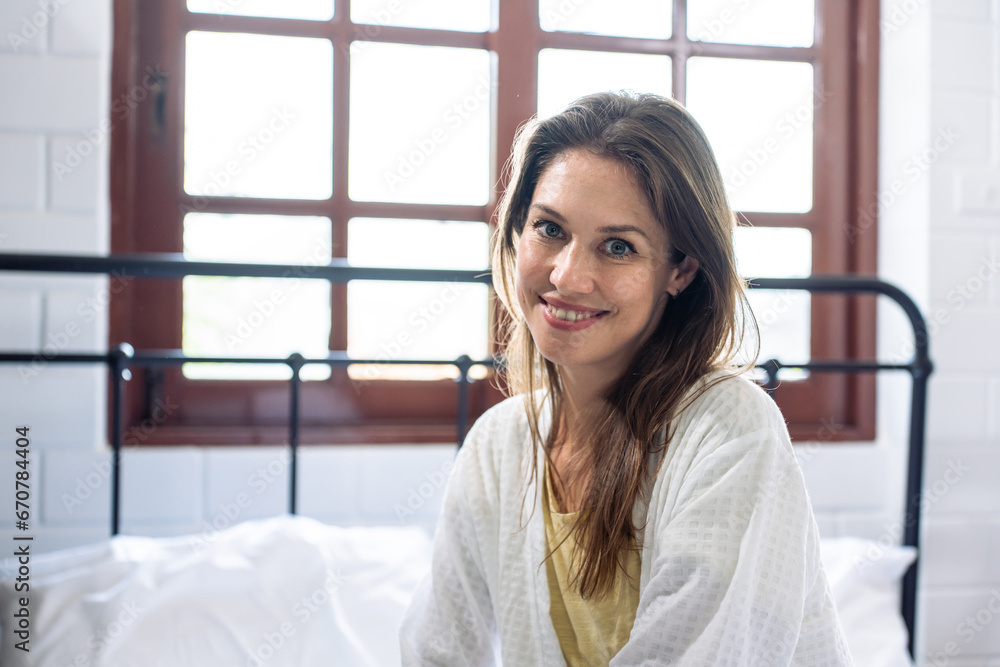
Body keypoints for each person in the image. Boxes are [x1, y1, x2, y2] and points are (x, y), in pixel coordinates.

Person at [399, 91, 854, 666]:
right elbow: (437, 651)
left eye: (618, 247)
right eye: (550, 229)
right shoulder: (497, 446)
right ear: (517, 232)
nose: (568, 275)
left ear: (681, 270)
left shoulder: (729, 430)